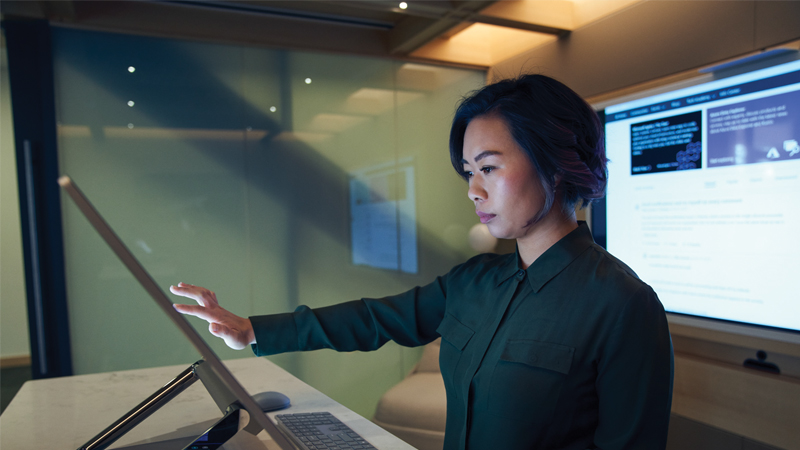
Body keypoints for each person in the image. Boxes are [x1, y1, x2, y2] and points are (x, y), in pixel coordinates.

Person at [171, 74, 674, 450]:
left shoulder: (623, 305)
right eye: (468, 172)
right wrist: (251, 329)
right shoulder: (475, 281)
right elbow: (373, 319)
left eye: (490, 168)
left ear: (554, 162)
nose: (474, 190)